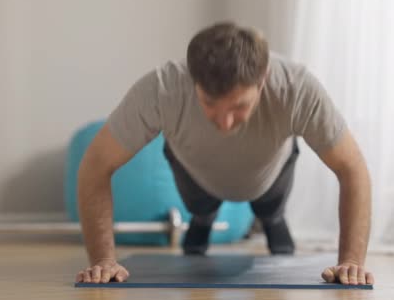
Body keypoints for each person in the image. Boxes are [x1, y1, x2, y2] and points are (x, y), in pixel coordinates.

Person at [75, 22, 374, 286]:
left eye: (239, 106)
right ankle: (203, 219)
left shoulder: (296, 89)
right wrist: (103, 260)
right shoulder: (162, 89)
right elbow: (96, 166)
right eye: (209, 103)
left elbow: (352, 169)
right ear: (193, 79)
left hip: (268, 173)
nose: (224, 122)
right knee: (201, 207)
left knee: (269, 207)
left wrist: (352, 262)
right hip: (195, 170)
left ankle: (273, 219)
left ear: (263, 77)